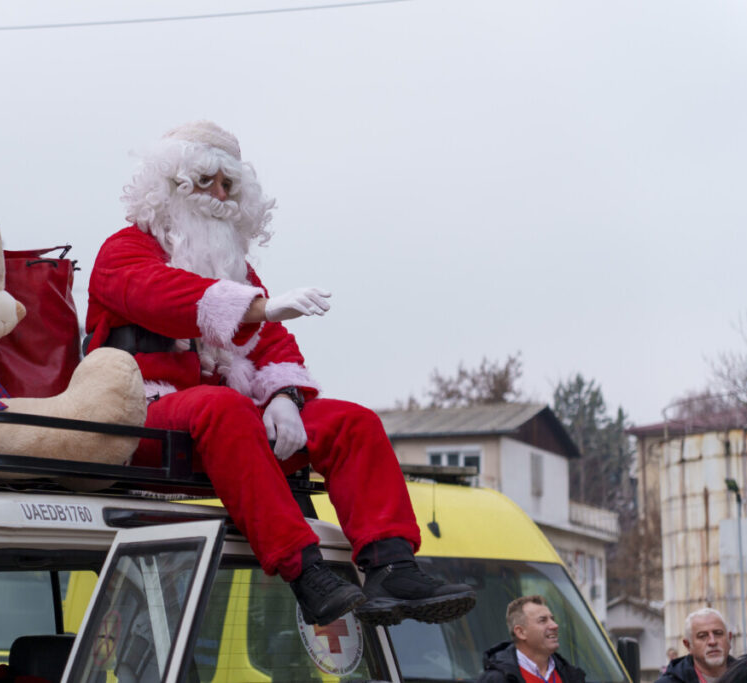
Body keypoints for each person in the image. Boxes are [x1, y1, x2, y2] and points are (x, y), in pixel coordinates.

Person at [83, 120, 476, 627]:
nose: (221, 196)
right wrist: (258, 308)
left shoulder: (233, 270)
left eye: (230, 185)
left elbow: (274, 346)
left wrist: (285, 396)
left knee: (350, 421)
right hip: (147, 417)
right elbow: (161, 297)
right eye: (207, 181)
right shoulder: (123, 252)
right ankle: (305, 572)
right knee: (222, 407)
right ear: (170, 186)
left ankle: (390, 566)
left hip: (230, 431)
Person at [476, 595, 585, 683]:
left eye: (552, 619)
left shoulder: (571, 676)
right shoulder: (496, 679)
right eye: (543, 620)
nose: (554, 625)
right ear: (521, 632)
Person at [657, 608, 736, 683]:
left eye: (718, 633)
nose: (712, 641)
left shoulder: (746, 677)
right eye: (702, 636)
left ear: (729, 639)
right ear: (688, 645)